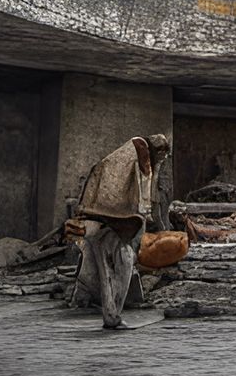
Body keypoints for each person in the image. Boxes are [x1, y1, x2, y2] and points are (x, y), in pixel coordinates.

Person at [67, 133, 172, 329]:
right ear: (157, 150)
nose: (162, 161)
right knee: (124, 261)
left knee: (103, 267)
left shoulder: (119, 155)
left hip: (96, 219)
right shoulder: (141, 150)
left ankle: (110, 315)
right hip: (115, 221)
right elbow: (144, 194)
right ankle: (112, 314)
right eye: (162, 156)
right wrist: (148, 217)